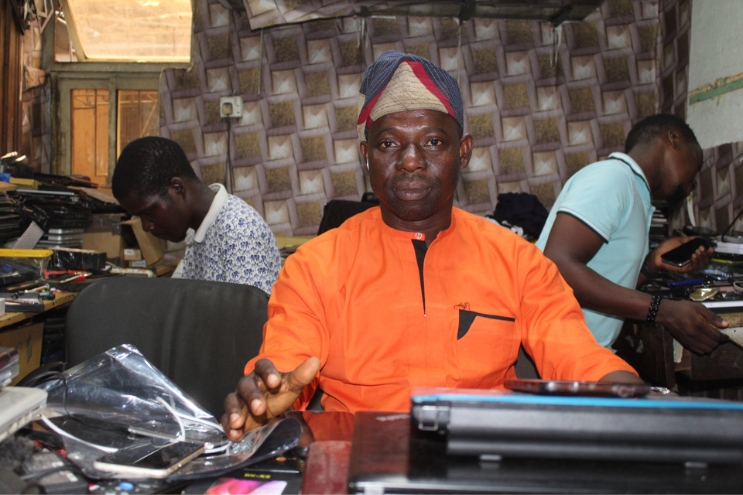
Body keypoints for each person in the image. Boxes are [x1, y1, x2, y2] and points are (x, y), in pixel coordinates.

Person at [222, 51, 641, 438]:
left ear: (463, 152)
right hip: (355, 462)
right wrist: (265, 401)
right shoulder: (315, 265)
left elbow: (575, 353)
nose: (409, 160)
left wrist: (632, 397)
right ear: (366, 157)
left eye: (433, 142)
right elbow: (285, 364)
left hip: (481, 460)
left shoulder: (517, 260)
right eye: (389, 144)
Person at [536, 114, 728, 354]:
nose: (692, 185)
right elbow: (557, 267)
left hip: (576, 351)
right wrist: (663, 310)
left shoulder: (636, 193)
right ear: (674, 139)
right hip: (552, 351)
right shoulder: (613, 178)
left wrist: (651, 265)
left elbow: (604, 285)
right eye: (696, 164)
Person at [112, 136, 281, 294]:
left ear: (177, 188)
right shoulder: (197, 229)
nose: (146, 226)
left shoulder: (239, 230)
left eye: (148, 213)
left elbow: (250, 320)